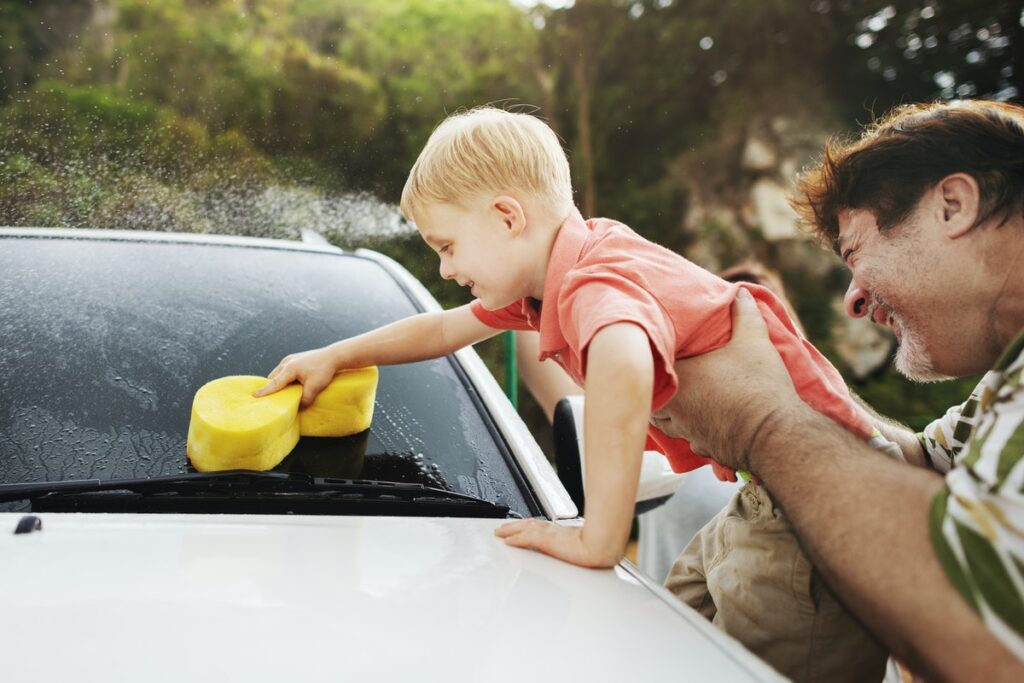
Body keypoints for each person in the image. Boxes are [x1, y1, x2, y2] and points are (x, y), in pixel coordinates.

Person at [253, 106, 887, 577]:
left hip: (816, 492)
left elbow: (623, 362)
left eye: (447, 246)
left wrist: (600, 536)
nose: (446, 270)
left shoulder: (590, 281)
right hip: (773, 489)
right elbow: (445, 328)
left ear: (507, 217)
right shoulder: (546, 283)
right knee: (691, 598)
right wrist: (335, 355)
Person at [651, 99, 1024, 681]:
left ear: (953, 205)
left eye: (855, 250)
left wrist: (762, 422)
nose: (852, 299)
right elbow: (922, 463)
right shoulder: (1006, 387)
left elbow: (991, 632)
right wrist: (792, 385)